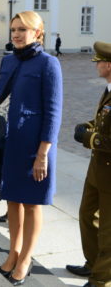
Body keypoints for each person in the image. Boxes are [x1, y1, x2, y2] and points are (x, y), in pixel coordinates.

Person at [0, 11, 62, 285]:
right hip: (10, 143)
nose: (16, 34)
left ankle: (26, 259)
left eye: (23, 29)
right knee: (12, 199)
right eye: (13, 29)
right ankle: (13, 252)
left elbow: (53, 112)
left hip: (35, 148)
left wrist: (43, 154)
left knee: (32, 203)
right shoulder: (10, 60)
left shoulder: (49, 64)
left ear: (38, 33)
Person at [66, 41, 111, 287]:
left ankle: (102, 280)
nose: (97, 66)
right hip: (97, 170)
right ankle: (93, 263)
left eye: (99, 62)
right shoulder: (108, 89)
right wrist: (89, 126)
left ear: (109, 65)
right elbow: (105, 121)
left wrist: (89, 138)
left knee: (108, 232)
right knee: (86, 216)